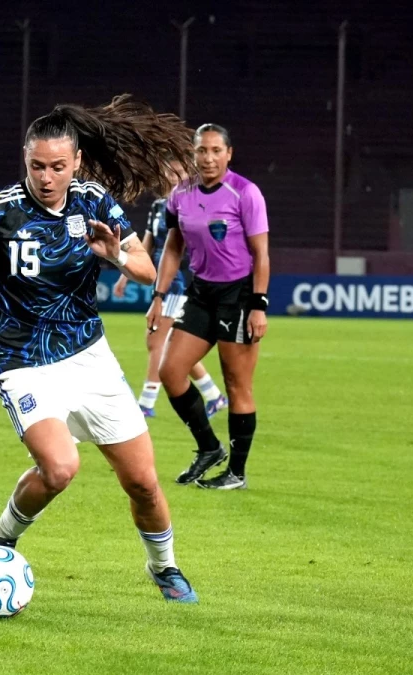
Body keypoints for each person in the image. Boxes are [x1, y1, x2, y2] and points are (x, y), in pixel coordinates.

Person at [0, 95, 200, 603]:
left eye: (58, 167)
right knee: (61, 468)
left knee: (144, 485)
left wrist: (116, 257)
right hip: (22, 362)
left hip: (89, 358)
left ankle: (165, 567)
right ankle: (1, 538)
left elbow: (148, 272)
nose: (46, 177)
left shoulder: (94, 202)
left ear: (77, 162)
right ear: (25, 159)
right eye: (37, 166)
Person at [150, 124, 270, 490]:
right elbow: (173, 246)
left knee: (237, 384)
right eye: (202, 150)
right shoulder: (180, 194)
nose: (208, 157)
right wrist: (159, 295)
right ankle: (208, 448)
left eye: (216, 150)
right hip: (201, 292)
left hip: (238, 294)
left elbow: (261, 253)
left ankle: (236, 473)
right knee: (170, 371)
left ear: (228, 154)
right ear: (193, 154)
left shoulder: (245, 193)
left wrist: (258, 305)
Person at [112, 162, 227, 419]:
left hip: (180, 283)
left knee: (156, 341)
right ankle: (213, 395)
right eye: (167, 171)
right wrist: (125, 276)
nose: (171, 176)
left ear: (188, 176)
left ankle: (146, 402)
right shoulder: (157, 207)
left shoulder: (194, 205)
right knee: (171, 346)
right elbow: (147, 243)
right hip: (163, 282)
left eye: (178, 172)